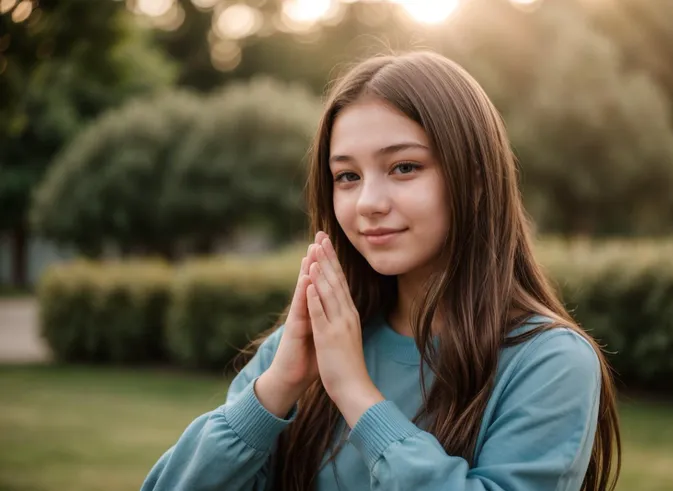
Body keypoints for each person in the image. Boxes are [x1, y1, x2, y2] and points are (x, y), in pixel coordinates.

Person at [141, 50, 621, 491]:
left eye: (404, 167)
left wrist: (357, 396)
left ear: (475, 179)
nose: (368, 203)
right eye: (347, 176)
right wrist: (277, 388)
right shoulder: (306, 347)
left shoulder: (550, 362)